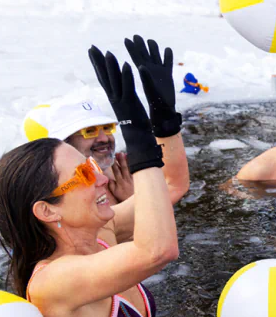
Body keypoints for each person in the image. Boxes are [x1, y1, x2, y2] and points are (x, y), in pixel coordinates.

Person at [0, 42, 184, 317]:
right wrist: (137, 133)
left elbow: (172, 185)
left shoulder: (101, 235)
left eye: (92, 168)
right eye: (84, 174)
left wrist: (163, 122)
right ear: (47, 211)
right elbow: (158, 251)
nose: (101, 180)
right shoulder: (53, 282)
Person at [23, 35, 188, 215]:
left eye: (107, 128)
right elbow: (112, 229)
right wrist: (134, 200)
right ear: (63, 143)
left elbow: (172, 185)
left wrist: (166, 121)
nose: (104, 138)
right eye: (89, 131)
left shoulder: (118, 172)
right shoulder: (62, 194)